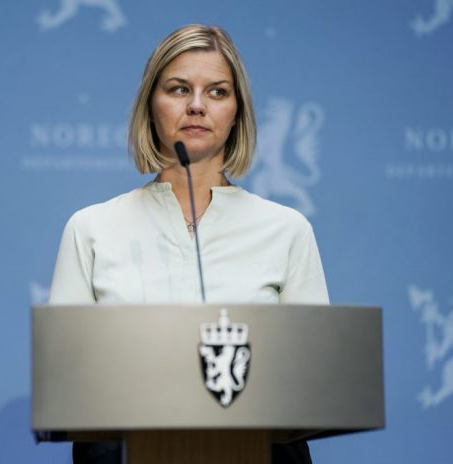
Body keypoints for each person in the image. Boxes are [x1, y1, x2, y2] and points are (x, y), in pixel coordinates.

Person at [49, 24, 328, 464]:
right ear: (151, 106)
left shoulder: (287, 229)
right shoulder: (91, 229)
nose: (197, 105)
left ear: (236, 113)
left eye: (217, 92)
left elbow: (315, 381)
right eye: (179, 89)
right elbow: (65, 383)